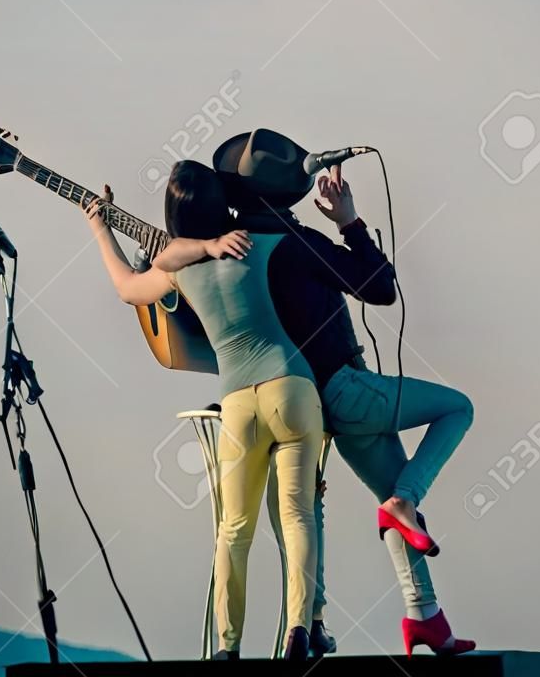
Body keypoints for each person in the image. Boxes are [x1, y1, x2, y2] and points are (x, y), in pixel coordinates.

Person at [161, 129, 476, 656]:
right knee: (454, 412)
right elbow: (379, 287)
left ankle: (416, 617)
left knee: (306, 509)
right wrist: (349, 221)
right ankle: (406, 503)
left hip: (299, 401)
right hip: (344, 388)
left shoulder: (225, 253)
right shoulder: (295, 244)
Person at [82, 162, 324, 660]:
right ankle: (301, 628)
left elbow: (128, 287)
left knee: (234, 530)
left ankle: (227, 648)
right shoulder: (257, 240)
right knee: (298, 517)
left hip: (239, 402)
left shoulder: (176, 268)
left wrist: (100, 229)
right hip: (293, 386)